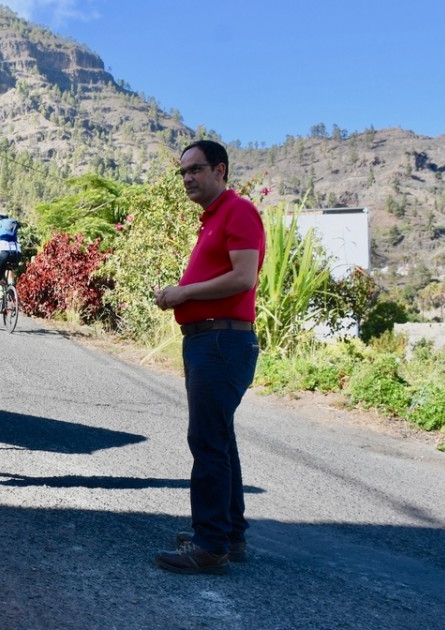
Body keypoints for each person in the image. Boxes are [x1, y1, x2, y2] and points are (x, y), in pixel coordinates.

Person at [151, 140, 265, 575]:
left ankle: (210, 544)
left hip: (222, 341)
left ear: (221, 170)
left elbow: (243, 276)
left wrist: (183, 293)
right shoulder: (214, 218)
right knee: (220, 440)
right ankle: (228, 535)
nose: (187, 179)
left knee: (207, 441)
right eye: (182, 173)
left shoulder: (238, 211)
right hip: (209, 339)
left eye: (195, 170)